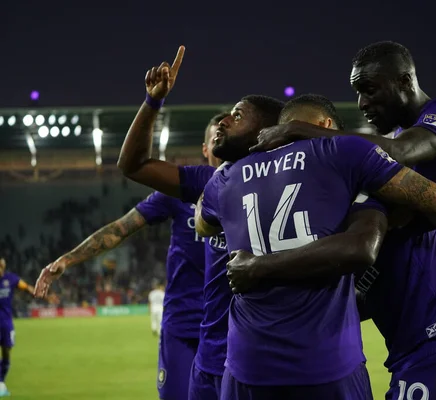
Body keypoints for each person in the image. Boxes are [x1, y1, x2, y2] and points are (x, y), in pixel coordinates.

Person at [253, 41, 436, 400]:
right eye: (357, 92)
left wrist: (299, 132)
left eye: (369, 89)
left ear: (405, 81)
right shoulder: (393, 139)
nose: (363, 103)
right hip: (433, 295)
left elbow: (397, 152)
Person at [193, 94, 436, 399]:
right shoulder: (343, 151)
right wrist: (374, 212)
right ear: (326, 125)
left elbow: (204, 222)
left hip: (246, 368)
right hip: (328, 364)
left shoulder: (224, 179)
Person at [115, 47, 280, 400]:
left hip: (257, 358)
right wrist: (152, 102)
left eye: (237, 116)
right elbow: (133, 165)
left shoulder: (291, 184)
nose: (223, 121)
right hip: (209, 357)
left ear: (264, 132)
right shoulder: (208, 180)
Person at [34, 110, 228, 400]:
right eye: (217, 138)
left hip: (229, 328)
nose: (223, 144)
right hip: (182, 324)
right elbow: (122, 227)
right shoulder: (183, 188)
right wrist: (68, 259)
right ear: (204, 149)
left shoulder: (250, 188)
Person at [0, 257, 37, 397]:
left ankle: (1, 381)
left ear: (3, 266)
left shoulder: (10, 279)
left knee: (7, 351)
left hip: (6, 323)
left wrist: (41, 294)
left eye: (1, 266)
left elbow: (26, 287)